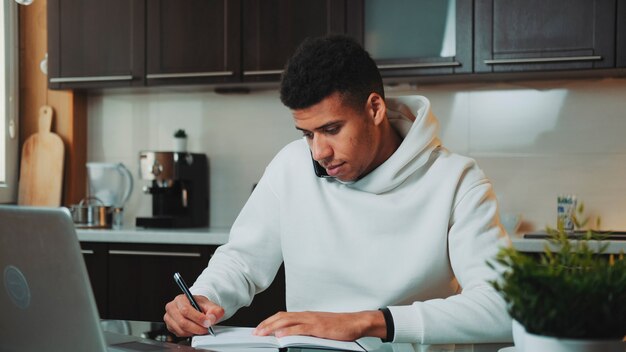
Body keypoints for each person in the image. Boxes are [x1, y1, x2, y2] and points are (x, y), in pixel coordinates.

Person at [164, 35, 512, 344]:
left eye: (331, 129)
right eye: (307, 133)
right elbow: (241, 260)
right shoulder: (292, 165)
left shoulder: (457, 181)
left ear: (374, 109)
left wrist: (365, 322)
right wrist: (202, 298)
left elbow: (504, 308)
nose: (319, 152)